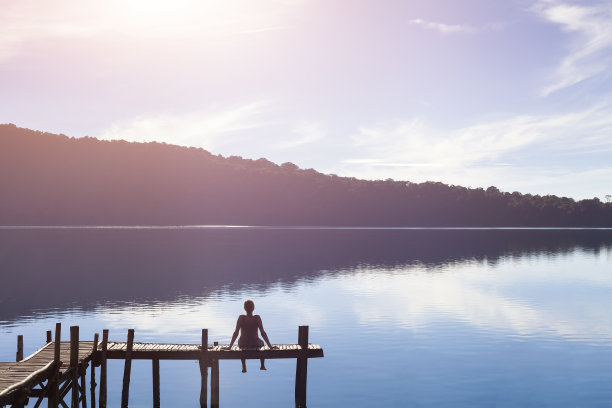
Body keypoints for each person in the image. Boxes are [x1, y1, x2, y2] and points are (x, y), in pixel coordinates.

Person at [227, 299, 276, 372]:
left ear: (244, 308)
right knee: (262, 343)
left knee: (241, 346)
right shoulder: (257, 318)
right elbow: (263, 333)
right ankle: (262, 365)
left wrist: (230, 347)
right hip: (255, 343)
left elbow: (236, 333)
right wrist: (270, 346)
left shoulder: (241, 318)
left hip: (243, 343)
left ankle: (244, 366)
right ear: (253, 308)